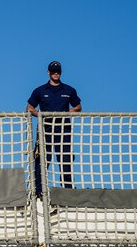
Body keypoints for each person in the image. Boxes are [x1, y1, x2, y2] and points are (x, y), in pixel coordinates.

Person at [26, 61, 81, 193]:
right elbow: (29, 107)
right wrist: (40, 115)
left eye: (58, 71)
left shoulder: (69, 90)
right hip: (45, 130)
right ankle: (38, 190)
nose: (56, 73)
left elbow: (78, 107)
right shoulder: (40, 90)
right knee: (42, 159)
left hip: (63, 130)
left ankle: (68, 190)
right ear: (48, 72)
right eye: (53, 71)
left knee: (65, 159)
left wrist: (66, 113)